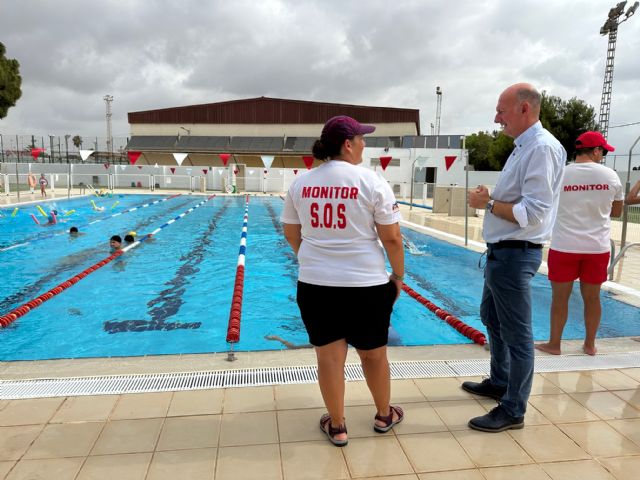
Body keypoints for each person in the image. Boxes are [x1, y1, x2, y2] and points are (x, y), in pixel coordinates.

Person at [281, 115, 405, 447]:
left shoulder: (301, 183)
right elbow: (392, 238)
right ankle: (383, 415)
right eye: (362, 139)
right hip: (367, 286)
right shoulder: (372, 181)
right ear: (347, 144)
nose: (366, 144)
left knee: (330, 359)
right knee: (374, 355)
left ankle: (337, 426)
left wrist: (310, 257)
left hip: (316, 285)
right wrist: (398, 276)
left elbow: (291, 233)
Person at [464, 83, 566, 432]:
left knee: (518, 335)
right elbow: (523, 198)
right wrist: (492, 196)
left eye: (501, 110)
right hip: (502, 253)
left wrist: (488, 204)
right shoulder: (524, 146)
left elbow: (534, 211)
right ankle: (500, 381)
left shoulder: (541, 148)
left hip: (514, 255)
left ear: (525, 109)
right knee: (490, 317)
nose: (496, 118)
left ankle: (513, 408)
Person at [537, 132, 623, 356]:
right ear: (595, 151)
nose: (603, 155)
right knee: (593, 298)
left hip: (564, 246)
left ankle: (554, 344)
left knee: (559, 298)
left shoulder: (560, 174)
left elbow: (547, 206)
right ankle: (590, 345)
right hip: (597, 248)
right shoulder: (611, 176)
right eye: (602, 151)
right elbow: (616, 211)